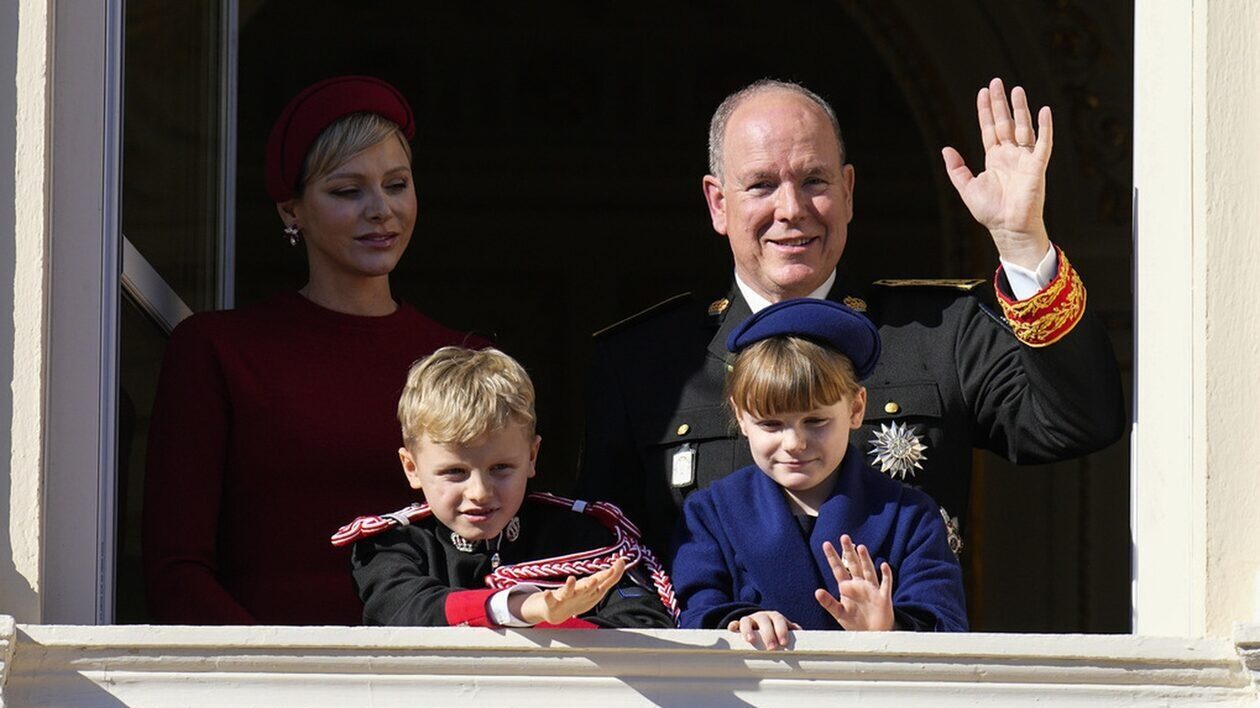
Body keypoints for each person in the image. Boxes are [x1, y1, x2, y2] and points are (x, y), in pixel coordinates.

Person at [578, 77, 1126, 557]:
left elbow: (1080, 422)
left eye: (814, 181)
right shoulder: (644, 364)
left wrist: (1022, 241)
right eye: (762, 185)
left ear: (848, 191)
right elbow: (602, 555)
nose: (791, 209)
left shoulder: (940, 334)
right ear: (719, 203)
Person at [143, 76, 486, 624]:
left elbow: (504, 558)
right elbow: (176, 570)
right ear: (290, 210)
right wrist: (271, 679)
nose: (380, 209)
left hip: (432, 679)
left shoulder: (466, 360)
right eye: (347, 191)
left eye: (396, 184)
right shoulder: (219, 352)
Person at [671, 299, 967, 649]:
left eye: (815, 421)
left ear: (856, 408)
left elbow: (946, 629)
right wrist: (738, 622)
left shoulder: (910, 515)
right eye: (771, 424)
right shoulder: (710, 512)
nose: (794, 443)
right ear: (740, 417)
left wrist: (890, 628)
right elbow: (696, 615)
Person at [335, 346, 677, 629]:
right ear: (411, 468)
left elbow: (644, 621)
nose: (480, 492)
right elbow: (408, 610)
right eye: (455, 472)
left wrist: (560, 625)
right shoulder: (388, 547)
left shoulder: (581, 536)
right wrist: (523, 608)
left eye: (501, 468)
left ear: (532, 456)